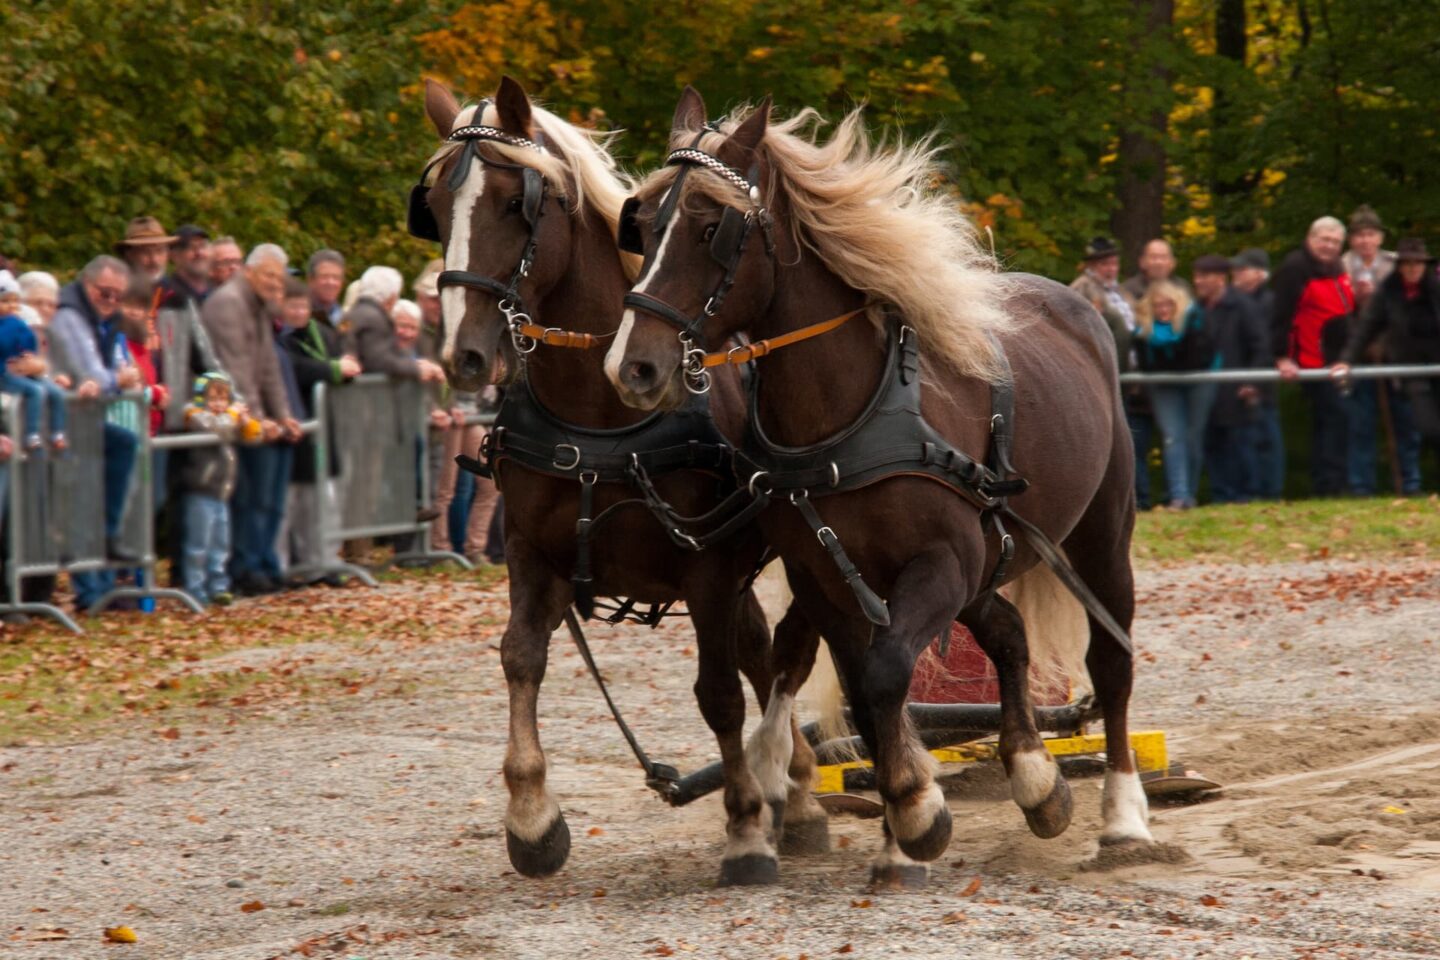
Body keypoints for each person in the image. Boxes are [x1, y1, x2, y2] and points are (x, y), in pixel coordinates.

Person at [201, 243, 301, 595]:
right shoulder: (229, 303)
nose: (276, 284)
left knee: (271, 497)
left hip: (258, 417)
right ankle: (244, 567)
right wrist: (260, 420)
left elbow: (270, 368)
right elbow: (236, 372)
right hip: (237, 419)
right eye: (269, 275)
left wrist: (284, 416)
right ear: (249, 271)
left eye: (280, 277)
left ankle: (265, 562)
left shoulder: (259, 305)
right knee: (249, 497)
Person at [47, 255, 143, 588]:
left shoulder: (108, 319)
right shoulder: (70, 316)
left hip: (86, 418)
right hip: (59, 423)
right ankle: (88, 587)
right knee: (83, 498)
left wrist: (119, 378)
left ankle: (110, 535)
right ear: (87, 285)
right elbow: (95, 373)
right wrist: (118, 380)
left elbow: (128, 372)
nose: (112, 301)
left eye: (119, 295)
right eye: (105, 293)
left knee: (123, 444)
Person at [1333, 238, 1440, 478]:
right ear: (1400, 266)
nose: (1413, 268)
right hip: (1411, 367)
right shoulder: (1388, 293)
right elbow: (1366, 328)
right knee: (1429, 428)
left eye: (1418, 263)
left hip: (1438, 362)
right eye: (1408, 264)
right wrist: (1346, 359)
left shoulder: (1436, 289)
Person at [278, 276, 359, 578]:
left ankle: (324, 560)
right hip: (298, 424)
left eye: (303, 307)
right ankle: (294, 564)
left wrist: (348, 365)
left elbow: (343, 357)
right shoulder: (281, 338)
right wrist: (334, 369)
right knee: (296, 502)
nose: (299, 313)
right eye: (293, 307)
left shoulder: (322, 334)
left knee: (327, 497)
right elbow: (297, 369)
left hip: (325, 425)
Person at [1272, 216, 1355, 496]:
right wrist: (1282, 355)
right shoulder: (1296, 267)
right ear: (1310, 238)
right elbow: (1281, 315)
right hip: (1312, 360)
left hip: (1337, 358)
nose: (1329, 246)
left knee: (1336, 421)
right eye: (1324, 240)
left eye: (1335, 242)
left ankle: (1333, 482)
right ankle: (1329, 484)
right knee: (1333, 419)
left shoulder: (1337, 267)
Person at [1340, 206, 1418, 495]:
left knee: (1405, 422)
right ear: (1351, 240)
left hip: (1395, 353)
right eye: (1359, 235)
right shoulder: (1339, 267)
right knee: (1360, 424)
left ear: (1380, 237)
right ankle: (1361, 486)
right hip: (1357, 356)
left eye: (1370, 234)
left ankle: (1410, 482)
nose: (1365, 240)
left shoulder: (1398, 265)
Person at [1070, 237, 1151, 508]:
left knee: (1134, 438)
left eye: (1114, 262)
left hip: (1128, 372)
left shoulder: (1121, 292)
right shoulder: (1081, 291)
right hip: (1106, 373)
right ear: (1092, 265)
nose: (1111, 268)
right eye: (1105, 263)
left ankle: (1139, 496)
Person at [181, 372, 263, 605]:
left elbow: (254, 436)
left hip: (222, 491)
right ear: (201, 399)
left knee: (220, 543)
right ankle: (195, 588)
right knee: (199, 544)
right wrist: (233, 414)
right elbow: (216, 428)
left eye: (223, 399)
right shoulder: (195, 415)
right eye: (213, 399)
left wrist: (246, 422)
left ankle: (218, 585)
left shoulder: (229, 418)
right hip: (201, 488)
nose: (219, 405)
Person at [1193, 255, 1269, 503]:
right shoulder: (1198, 308)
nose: (1198, 281)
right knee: (1212, 442)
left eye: (1203, 276)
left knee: (1241, 444)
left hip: (1237, 387)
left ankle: (1248, 493)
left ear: (1220, 278)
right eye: (1196, 276)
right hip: (1207, 388)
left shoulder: (1243, 306)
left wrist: (1252, 381)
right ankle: (1221, 493)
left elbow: (1260, 345)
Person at [1135, 280, 1217, 509]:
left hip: (1199, 380)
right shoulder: (1143, 331)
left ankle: (1190, 493)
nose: (1163, 310)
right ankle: (1179, 496)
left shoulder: (1195, 321)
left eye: (1168, 305)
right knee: (1173, 437)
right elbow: (1146, 365)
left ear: (1177, 305)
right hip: (1163, 385)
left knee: (1193, 435)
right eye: (1157, 305)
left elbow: (1199, 357)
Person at [1230, 248, 1284, 497]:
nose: (1236, 275)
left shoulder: (1270, 303)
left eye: (1243, 270)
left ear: (1260, 274)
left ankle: (1269, 491)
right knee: (1243, 442)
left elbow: (1265, 345)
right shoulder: (1235, 303)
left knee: (1265, 440)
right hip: (1238, 381)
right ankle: (1248, 491)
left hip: (1262, 383)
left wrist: (1253, 380)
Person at [0, 271, 67, 453]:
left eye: (52, 304)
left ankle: (57, 433)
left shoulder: (54, 335)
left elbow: (31, 349)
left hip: (27, 376)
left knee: (55, 391)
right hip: (8, 428)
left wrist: (39, 365)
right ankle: (32, 435)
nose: (45, 309)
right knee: (35, 390)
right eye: (38, 303)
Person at [1122, 238, 1195, 303]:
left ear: (1173, 263)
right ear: (1142, 262)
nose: (1158, 262)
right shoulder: (1129, 290)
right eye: (1153, 257)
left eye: (1164, 257)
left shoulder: (1182, 287)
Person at [160, 225, 214, 308]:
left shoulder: (216, 291)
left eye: (203, 246)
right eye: (191, 247)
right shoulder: (166, 294)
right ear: (174, 255)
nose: (199, 253)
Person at [114, 216, 177, 284]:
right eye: (145, 252)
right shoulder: (118, 289)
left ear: (168, 253)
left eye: (159, 251)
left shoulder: (176, 290)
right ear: (129, 255)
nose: (154, 260)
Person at [307, 249, 346, 331]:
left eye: (336, 277)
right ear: (310, 280)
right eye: (324, 276)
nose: (331, 282)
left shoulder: (345, 320)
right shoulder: (298, 315)